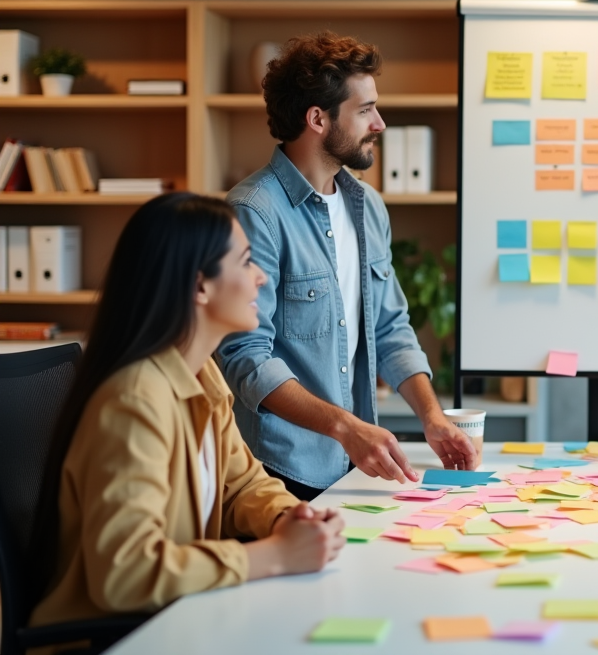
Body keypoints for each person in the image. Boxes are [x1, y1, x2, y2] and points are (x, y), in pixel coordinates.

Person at [31, 194, 344, 633]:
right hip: (116, 638)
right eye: (247, 262)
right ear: (200, 286)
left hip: (177, 618)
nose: (260, 278)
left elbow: (241, 484)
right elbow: (124, 572)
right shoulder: (135, 400)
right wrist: (274, 556)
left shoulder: (203, 377)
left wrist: (285, 516)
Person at [217, 32, 478, 503]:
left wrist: (432, 418)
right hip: (280, 474)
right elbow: (245, 358)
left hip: (351, 465)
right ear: (317, 118)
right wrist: (345, 427)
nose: (379, 123)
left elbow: (390, 325)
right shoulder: (254, 212)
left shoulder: (367, 205)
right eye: (365, 110)